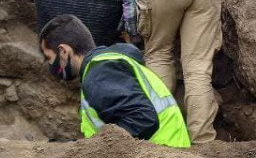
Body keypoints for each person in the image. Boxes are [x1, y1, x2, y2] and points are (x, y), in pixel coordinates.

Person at [98, 0, 222, 144]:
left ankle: (161, 136)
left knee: (158, 55)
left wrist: (132, 35)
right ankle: (203, 140)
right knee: (198, 69)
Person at [38, 13, 190, 148]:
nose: (50, 65)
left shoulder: (100, 73)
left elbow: (143, 119)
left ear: (63, 51)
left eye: (48, 58)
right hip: (166, 156)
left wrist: (93, 150)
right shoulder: (107, 65)